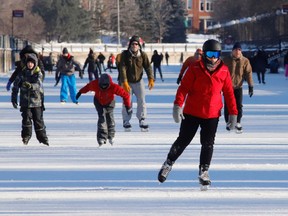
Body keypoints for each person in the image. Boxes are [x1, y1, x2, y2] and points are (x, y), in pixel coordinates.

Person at [157, 39, 238, 188]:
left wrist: (233, 113)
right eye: (209, 54)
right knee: (183, 140)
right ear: (204, 53)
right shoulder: (194, 68)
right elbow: (183, 88)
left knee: (208, 144)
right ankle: (168, 163)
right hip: (192, 112)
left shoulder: (224, 71)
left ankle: (204, 171)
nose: (213, 57)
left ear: (219, 55)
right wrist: (177, 105)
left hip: (212, 114)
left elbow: (229, 93)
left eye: (216, 54)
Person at [76, 74, 131, 146]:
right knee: (102, 118)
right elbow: (88, 87)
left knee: (110, 118)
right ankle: (102, 137)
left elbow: (125, 95)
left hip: (110, 103)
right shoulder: (95, 84)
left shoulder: (114, 87)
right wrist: (80, 92)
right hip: (98, 102)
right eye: (102, 85)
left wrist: (127, 106)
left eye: (105, 86)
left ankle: (111, 135)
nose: (103, 87)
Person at [11, 53, 49, 146]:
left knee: (38, 120)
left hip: (37, 102)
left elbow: (38, 84)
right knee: (26, 120)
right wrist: (14, 98)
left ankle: (43, 138)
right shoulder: (22, 74)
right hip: (25, 102)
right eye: (28, 63)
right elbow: (15, 86)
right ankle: (26, 136)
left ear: (35, 63)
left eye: (32, 63)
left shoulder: (38, 73)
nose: (30, 64)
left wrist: (31, 86)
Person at [119, 35, 154, 131]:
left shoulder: (143, 55)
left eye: (136, 44)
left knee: (142, 100)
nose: (134, 45)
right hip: (127, 82)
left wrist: (151, 78)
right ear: (130, 45)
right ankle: (126, 121)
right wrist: (124, 82)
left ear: (139, 45)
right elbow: (122, 69)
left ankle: (142, 119)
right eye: (133, 44)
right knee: (127, 102)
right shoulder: (125, 55)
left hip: (139, 81)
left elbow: (148, 67)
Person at [222, 42, 254, 133]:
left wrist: (250, 86)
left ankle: (238, 122)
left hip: (238, 86)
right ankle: (228, 121)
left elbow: (248, 73)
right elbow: (220, 72)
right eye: (236, 49)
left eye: (239, 50)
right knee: (228, 105)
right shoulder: (226, 60)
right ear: (232, 51)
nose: (237, 51)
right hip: (227, 87)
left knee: (238, 105)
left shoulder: (245, 61)